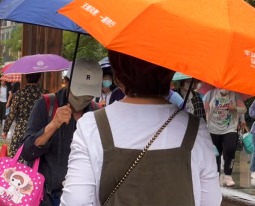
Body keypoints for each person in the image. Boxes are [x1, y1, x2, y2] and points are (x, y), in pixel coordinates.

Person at [61, 50, 222, 206]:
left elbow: (76, 201)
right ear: (170, 73)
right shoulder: (196, 129)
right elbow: (211, 201)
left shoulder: (92, 125)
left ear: (117, 74)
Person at [19, 59, 103, 206]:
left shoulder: (97, 113)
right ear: (66, 81)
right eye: (79, 91)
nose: (83, 97)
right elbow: (26, 151)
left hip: (84, 198)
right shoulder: (46, 104)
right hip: (46, 197)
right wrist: (53, 125)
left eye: (89, 93)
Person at [203, 87, 247, 187]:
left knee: (230, 149)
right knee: (215, 153)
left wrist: (235, 109)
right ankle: (216, 175)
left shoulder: (234, 95)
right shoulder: (211, 94)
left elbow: (244, 109)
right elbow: (203, 107)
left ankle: (228, 175)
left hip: (230, 126)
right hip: (213, 127)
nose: (224, 89)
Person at [2, 73, 45, 158]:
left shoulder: (19, 94)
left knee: (17, 157)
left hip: (21, 129)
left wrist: (5, 130)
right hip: (38, 130)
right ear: (40, 78)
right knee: (36, 158)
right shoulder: (44, 94)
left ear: (26, 77)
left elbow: (12, 114)